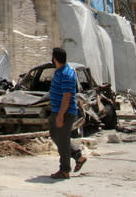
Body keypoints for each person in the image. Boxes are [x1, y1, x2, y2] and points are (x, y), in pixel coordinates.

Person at [48, 47, 86, 180]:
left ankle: (64, 170)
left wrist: (60, 115)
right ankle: (77, 156)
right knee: (55, 136)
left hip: (64, 113)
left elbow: (66, 97)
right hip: (56, 111)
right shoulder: (59, 72)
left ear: (55, 58)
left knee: (63, 142)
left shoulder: (66, 74)